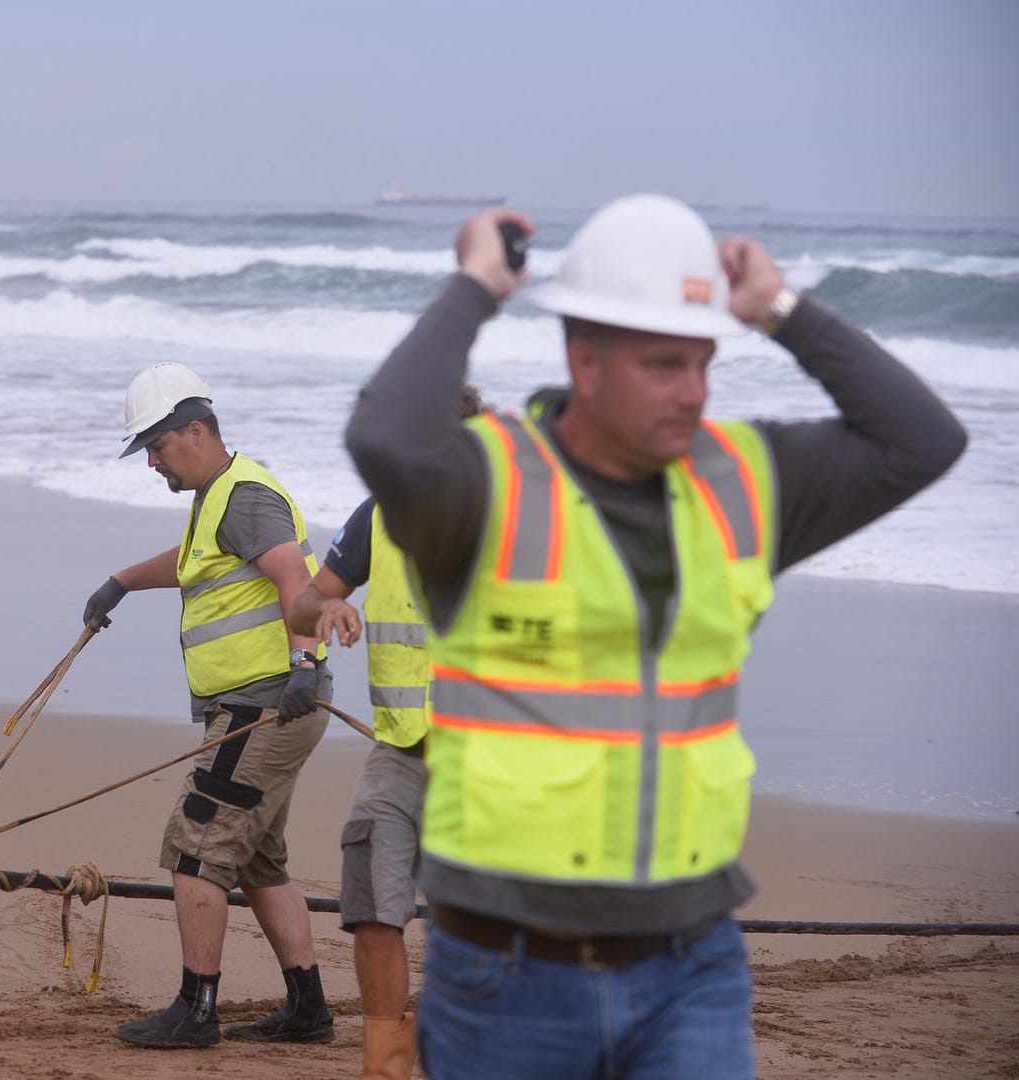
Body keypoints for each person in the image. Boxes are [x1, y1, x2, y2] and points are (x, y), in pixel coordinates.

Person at [343, 194, 967, 1079]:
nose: (695, 390)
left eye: (705, 360)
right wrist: (479, 285)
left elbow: (922, 439)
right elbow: (385, 437)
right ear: (585, 361)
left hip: (691, 968)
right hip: (506, 977)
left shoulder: (746, 479)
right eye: (665, 363)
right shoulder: (488, 484)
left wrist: (782, 313)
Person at [82, 361, 336, 1050]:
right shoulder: (219, 499)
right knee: (256, 861)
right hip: (264, 705)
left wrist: (307, 664)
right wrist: (123, 582)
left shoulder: (246, 496)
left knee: (196, 846)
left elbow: (296, 579)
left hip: (266, 705)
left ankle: (196, 1011)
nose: (153, 463)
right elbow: (197, 560)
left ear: (194, 430)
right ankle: (308, 1010)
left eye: (157, 447)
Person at [288, 384, 481, 1080]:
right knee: (371, 903)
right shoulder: (377, 518)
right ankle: (385, 1067)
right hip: (400, 751)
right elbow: (304, 605)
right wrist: (324, 612)